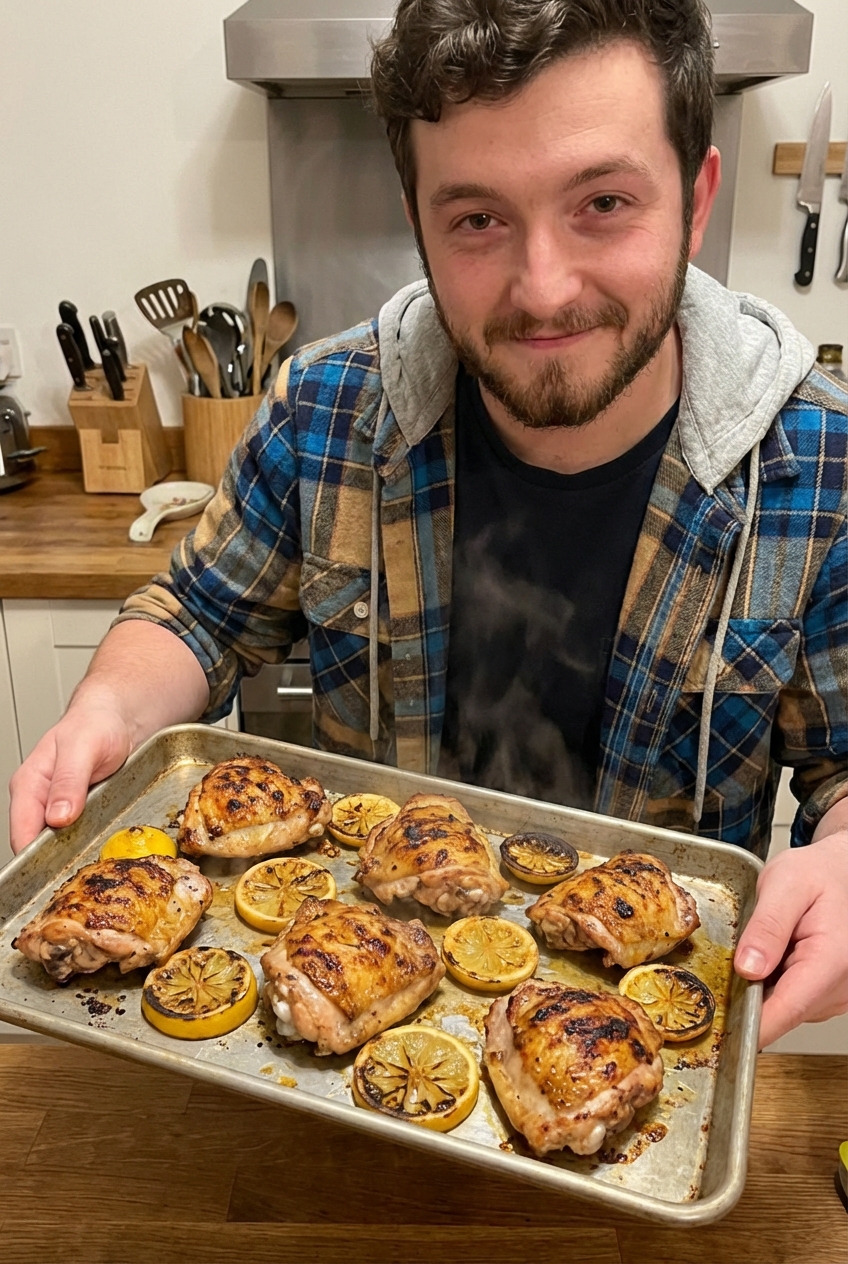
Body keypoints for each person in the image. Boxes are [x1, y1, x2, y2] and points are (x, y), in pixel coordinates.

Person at [9, 0, 847, 1049]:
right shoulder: (322, 410)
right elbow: (196, 613)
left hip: (637, 1064)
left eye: (601, 202)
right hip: (342, 1024)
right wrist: (107, 709)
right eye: (477, 220)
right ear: (419, 221)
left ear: (696, 197)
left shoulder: (819, 467)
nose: (542, 289)